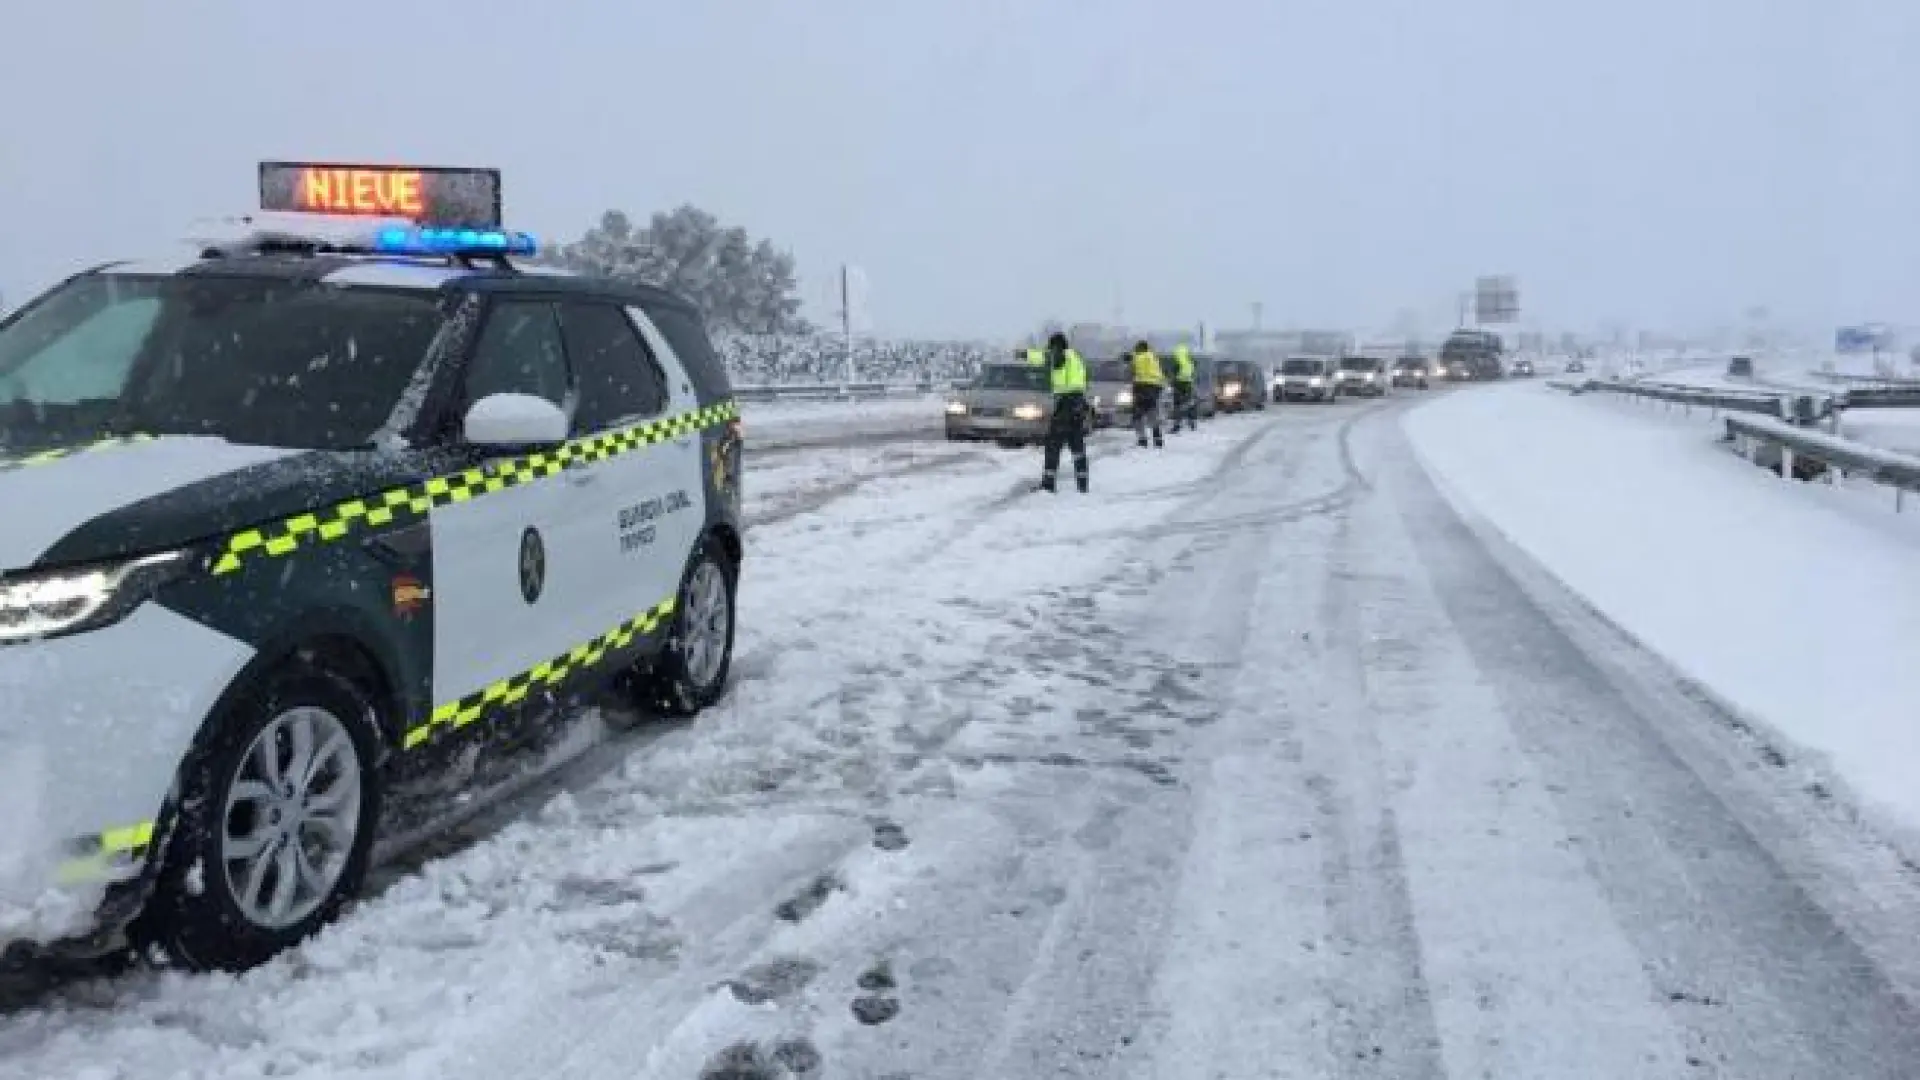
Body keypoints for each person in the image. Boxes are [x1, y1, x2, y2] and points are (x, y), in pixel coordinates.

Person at [1037, 332, 1090, 493]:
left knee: (1053, 444)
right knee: (1077, 447)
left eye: (1051, 347)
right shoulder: (1076, 358)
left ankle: (1048, 484)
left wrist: (1024, 354)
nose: (1050, 351)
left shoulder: (1062, 356)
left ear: (1057, 346)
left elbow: (1045, 358)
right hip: (1078, 403)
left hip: (1066, 403)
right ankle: (1082, 485)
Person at [1129, 340, 1165, 448]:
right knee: (1152, 413)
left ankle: (1142, 440)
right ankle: (1157, 439)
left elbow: (1135, 367)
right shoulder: (1153, 357)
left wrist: (1130, 358)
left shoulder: (1141, 357)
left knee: (1137, 415)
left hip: (1143, 387)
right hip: (1155, 387)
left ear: (1140, 349)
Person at [1169, 341, 1199, 433]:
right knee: (1190, 403)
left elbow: (1173, 373)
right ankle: (1192, 422)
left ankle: (1177, 425)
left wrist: (1171, 380)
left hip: (1178, 384)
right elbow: (1194, 370)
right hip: (1188, 383)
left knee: (1177, 404)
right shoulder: (1190, 361)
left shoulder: (1178, 361)